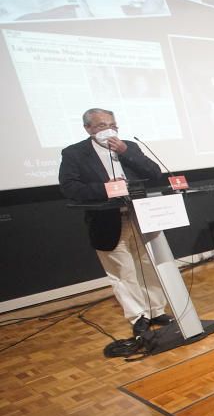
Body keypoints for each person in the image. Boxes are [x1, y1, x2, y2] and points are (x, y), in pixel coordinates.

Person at [58, 108, 172, 336]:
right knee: (123, 272)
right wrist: (106, 188)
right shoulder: (75, 153)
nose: (109, 129)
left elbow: (154, 173)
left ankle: (156, 309)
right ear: (88, 129)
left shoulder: (129, 146)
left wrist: (127, 152)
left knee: (147, 266)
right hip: (107, 221)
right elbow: (69, 188)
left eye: (113, 124)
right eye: (101, 125)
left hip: (140, 217)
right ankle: (139, 316)